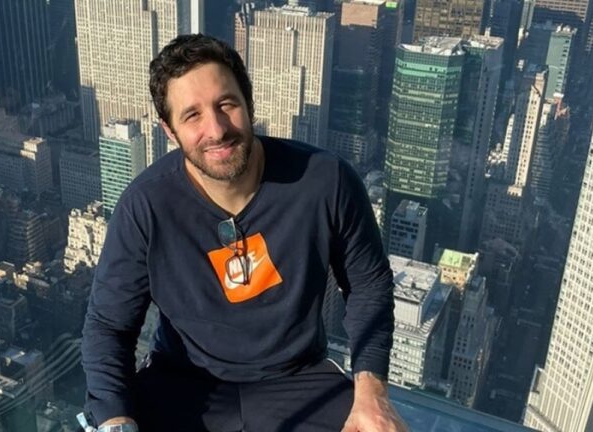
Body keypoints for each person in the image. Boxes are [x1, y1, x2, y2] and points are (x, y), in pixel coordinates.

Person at [81, 34, 408, 432]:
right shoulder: (145, 207)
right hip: (183, 384)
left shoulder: (325, 181)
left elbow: (368, 286)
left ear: (249, 103)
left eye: (226, 105)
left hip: (300, 378)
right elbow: (109, 326)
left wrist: (372, 390)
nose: (216, 129)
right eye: (192, 116)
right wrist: (115, 421)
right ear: (169, 131)